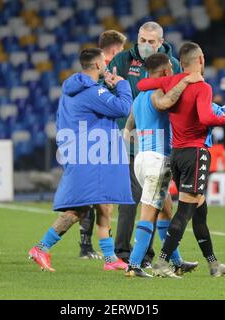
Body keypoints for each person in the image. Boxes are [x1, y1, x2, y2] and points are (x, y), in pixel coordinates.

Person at [28, 48, 134, 272]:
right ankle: (40, 247)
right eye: (104, 62)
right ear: (97, 65)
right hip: (91, 158)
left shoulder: (71, 91)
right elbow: (124, 107)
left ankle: (110, 259)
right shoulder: (92, 92)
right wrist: (122, 85)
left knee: (105, 205)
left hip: (88, 154)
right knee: (79, 210)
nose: (106, 65)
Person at [137, 42, 225, 278]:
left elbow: (142, 83)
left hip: (177, 154)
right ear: (200, 59)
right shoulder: (202, 86)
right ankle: (162, 261)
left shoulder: (172, 82)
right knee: (186, 210)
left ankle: (213, 264)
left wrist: (179, 82)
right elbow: (206, 116)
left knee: (200, 210)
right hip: (195, 153)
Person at [107, 21, 182, 266]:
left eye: (151, 42)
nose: (146, 45)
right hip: (144, 149)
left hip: (160, 147)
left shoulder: (173, 67)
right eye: (142, 40)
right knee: (137, 199)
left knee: (161, 204)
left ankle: (158, 258)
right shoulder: (122, 61)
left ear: (161, 42)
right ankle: (129, 258)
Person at [123, 53, 202, 277]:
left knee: (166, 210)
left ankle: (175, 261)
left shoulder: (139, 97)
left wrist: (128, 134)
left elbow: (130, 122)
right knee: (149, 211)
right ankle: (134, 265)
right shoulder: (158, 93)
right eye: (171, 69)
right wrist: (186, 81)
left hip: (142, 159)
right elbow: (165, 102)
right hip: (158, 161)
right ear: (166, 71)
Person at [78, 30, 127, 260]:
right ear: (116, 50)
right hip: (103, 140)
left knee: (92, 197)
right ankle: (94, 249)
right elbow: (117, 106)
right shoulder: (107, 72)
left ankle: (89, 247)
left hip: (88, 138)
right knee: (101, 198)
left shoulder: (87, 73)